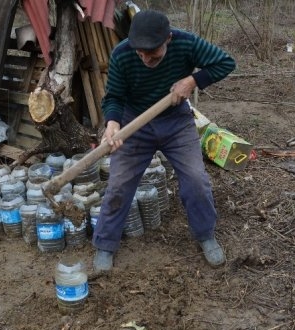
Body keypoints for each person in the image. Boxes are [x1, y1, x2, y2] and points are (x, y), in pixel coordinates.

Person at [92, 9, 236, 271]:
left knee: (196, 179)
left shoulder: (186, 43)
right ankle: (105, 243)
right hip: (134, 123)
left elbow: (226, 62)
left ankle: (206, 235)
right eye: (141, 52)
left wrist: (192, 80)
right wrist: (113, 124)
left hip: (176, 121)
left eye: (153, 52)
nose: (146, 58)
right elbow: (113, 96)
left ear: (167, 39)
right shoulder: (122, 54)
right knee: (119, 184)